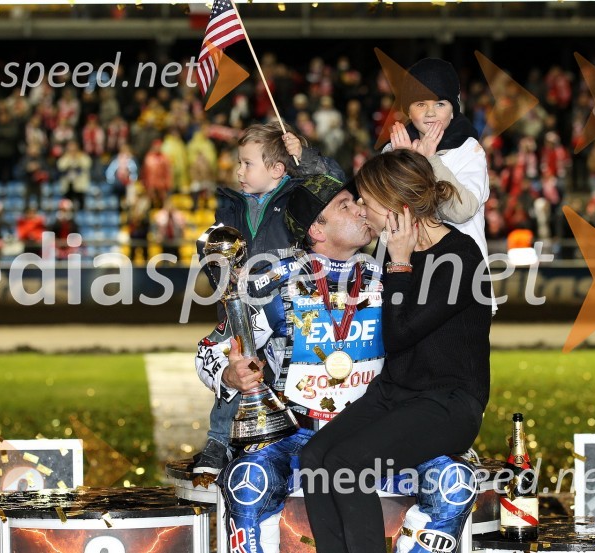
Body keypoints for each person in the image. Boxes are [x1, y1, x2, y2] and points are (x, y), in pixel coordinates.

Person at [300, 150, 491, 553]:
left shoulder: (462, 257)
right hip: (396, 392)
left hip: (449, 402)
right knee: (315, 456)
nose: (362, 211)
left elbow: (400, 334)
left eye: (367, 202)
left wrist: (401, 265)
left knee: (348, 463)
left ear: (397, 207)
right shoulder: (392, 251)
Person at [195, 174, 385, 553]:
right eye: (346, 205)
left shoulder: (389, 273)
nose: (361, 209)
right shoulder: (275, 278)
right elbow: (209, 350)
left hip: (375, 432)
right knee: (247, 482)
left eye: (358, 202)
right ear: (317, 228)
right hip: (297, 434)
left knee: (453, 480)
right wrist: (233, 374)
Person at [193, 121, 345, 476]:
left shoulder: (297, 197)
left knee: (288, 380)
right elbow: (217, 257)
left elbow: (335, 184)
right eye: (239, 162)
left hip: (287, 311)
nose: (239, 171)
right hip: (242, 309)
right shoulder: (229, 206)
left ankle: (293, 439)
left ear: (277, 169)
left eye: (248, 163)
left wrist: (305, 157)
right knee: (238, 370)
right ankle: (219, 440)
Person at [384, 58, 495, 313]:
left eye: (440, 103)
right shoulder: (393, 150)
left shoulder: (470, 150)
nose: (431, 112)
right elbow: (384, 215)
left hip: (461, 278)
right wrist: (404, 162)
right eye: (420, 103)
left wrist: (428, 162)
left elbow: (461, 210)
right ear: (407, 110)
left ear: (454, 108)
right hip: (408, 274)